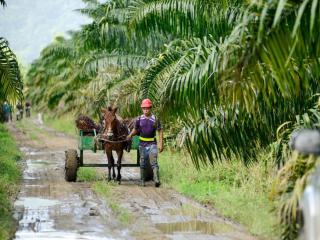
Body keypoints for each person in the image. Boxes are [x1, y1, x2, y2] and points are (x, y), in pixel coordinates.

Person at [127, 99, 164, 187]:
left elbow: (160, 131)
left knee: (154, 162)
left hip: (152, 144)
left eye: (147, 108)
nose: (146, 110)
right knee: (142, 162)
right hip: (142, 144)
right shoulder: (139, 119)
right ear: (142, 109)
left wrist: (161, 144)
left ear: (150, 108)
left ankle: (157, 180)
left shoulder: (155, 119)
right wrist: (130, 135)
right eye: (144, 108)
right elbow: (135, 129)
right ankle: (142, 180)